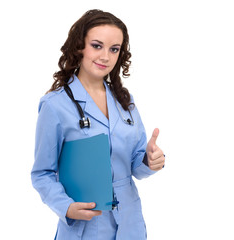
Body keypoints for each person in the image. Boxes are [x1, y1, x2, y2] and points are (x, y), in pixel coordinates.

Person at [31, 9, 165, 240]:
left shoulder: (125, 100)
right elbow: (42, 173)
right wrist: (66, 207)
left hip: (130, 222)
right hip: (86, 224)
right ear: (79, 47)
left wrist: (149, 160)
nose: (105, 56)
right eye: (97, 45)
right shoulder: (55, 105)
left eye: (114, 49)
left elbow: (135, 163)